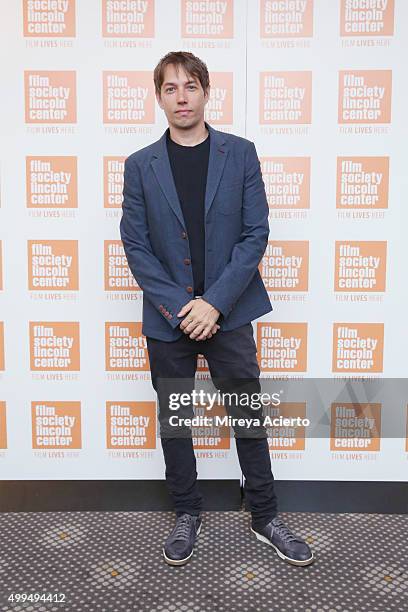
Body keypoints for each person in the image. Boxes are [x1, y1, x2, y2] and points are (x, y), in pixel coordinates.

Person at [120, 51, 314, 568]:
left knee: (248, 415)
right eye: (169, 88)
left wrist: (214, 304)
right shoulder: (140, 165)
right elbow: (135, 246)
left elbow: (255, 235)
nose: (181, 97)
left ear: (206, 91)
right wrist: (184, 306)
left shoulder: (241, 153)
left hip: (229, 309)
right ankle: (187, 513)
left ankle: (266, 516)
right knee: (176, 418)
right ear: (158, 96)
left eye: (190, 87)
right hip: (169, 316)